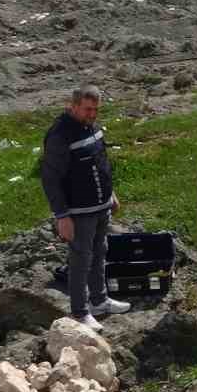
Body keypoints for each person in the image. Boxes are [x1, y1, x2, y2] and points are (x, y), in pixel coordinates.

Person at [40, 85, 129, 331]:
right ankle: (80, 312)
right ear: (74, 105)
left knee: (101, 251)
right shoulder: (60, 135)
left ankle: (100, 300)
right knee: (80, 260)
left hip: (101, 205)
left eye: (96, 110)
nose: (92, 114)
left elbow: (101, 163)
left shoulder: (93, 127)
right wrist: (62, 216)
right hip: (78, 211)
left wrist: (111, 194)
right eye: (88, 109)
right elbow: (50, 178)